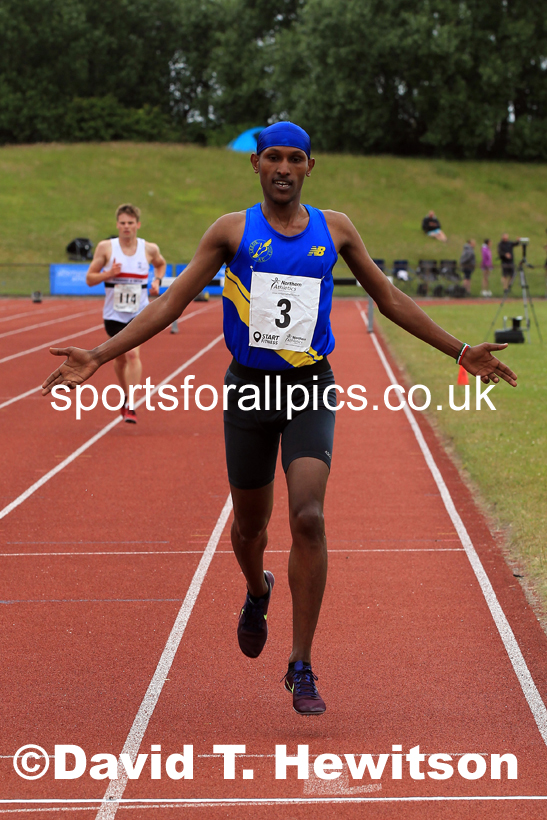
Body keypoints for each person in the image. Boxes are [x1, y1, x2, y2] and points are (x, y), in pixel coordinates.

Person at [43, 122, 517, 716]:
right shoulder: (231, 231)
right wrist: (100, 354)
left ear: (310, 167)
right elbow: (171, 301)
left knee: (310, 516)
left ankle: (301, 665)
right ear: (257, 165)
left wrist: (460, 351)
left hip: (309, 387)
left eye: (296, 158)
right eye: (274, 157)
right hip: (247, 392)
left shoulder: (335, 229)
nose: (284, 167)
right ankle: (255, 588)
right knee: (249, 530)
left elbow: (388, 298)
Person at [85, 204, 166, 422]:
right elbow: (90, 279)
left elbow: (160, 264)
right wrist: (109, 273)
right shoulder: (106, 248)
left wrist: (156, 280)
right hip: (113, 315)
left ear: (138, 225)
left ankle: (131, 403)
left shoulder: (148, 249)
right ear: (117, 225)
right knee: (119, 359)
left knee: (132, 354)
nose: (126, 227)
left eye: (130, 223)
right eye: (122, 223)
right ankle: (125, 394)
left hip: (139, 314)